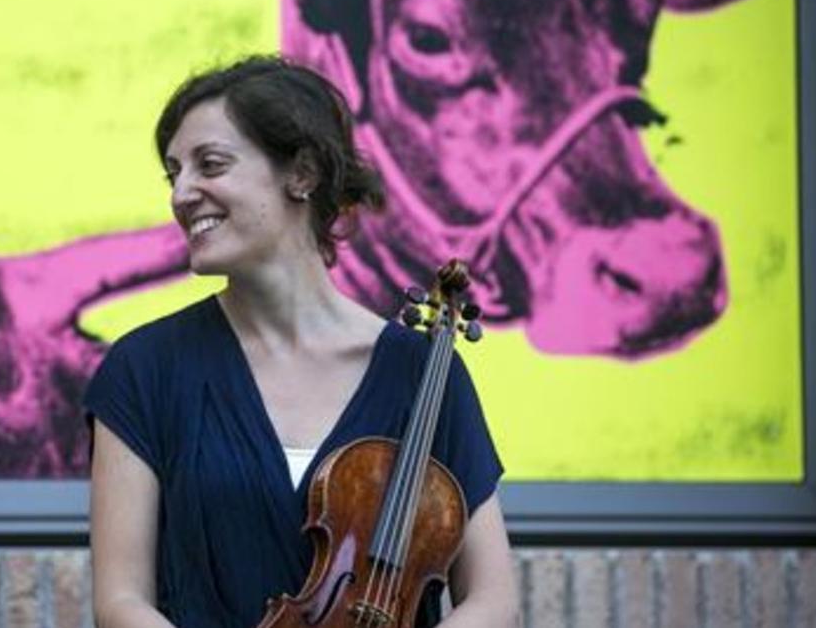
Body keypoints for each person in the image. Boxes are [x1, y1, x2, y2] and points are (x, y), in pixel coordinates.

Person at [82, 55, 517, 628]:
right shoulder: (143, 369)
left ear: (302, 173)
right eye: (173, 174)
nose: (182, 193)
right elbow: (121, 602)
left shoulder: (424, 372)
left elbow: (492, 600)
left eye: (209, 165)